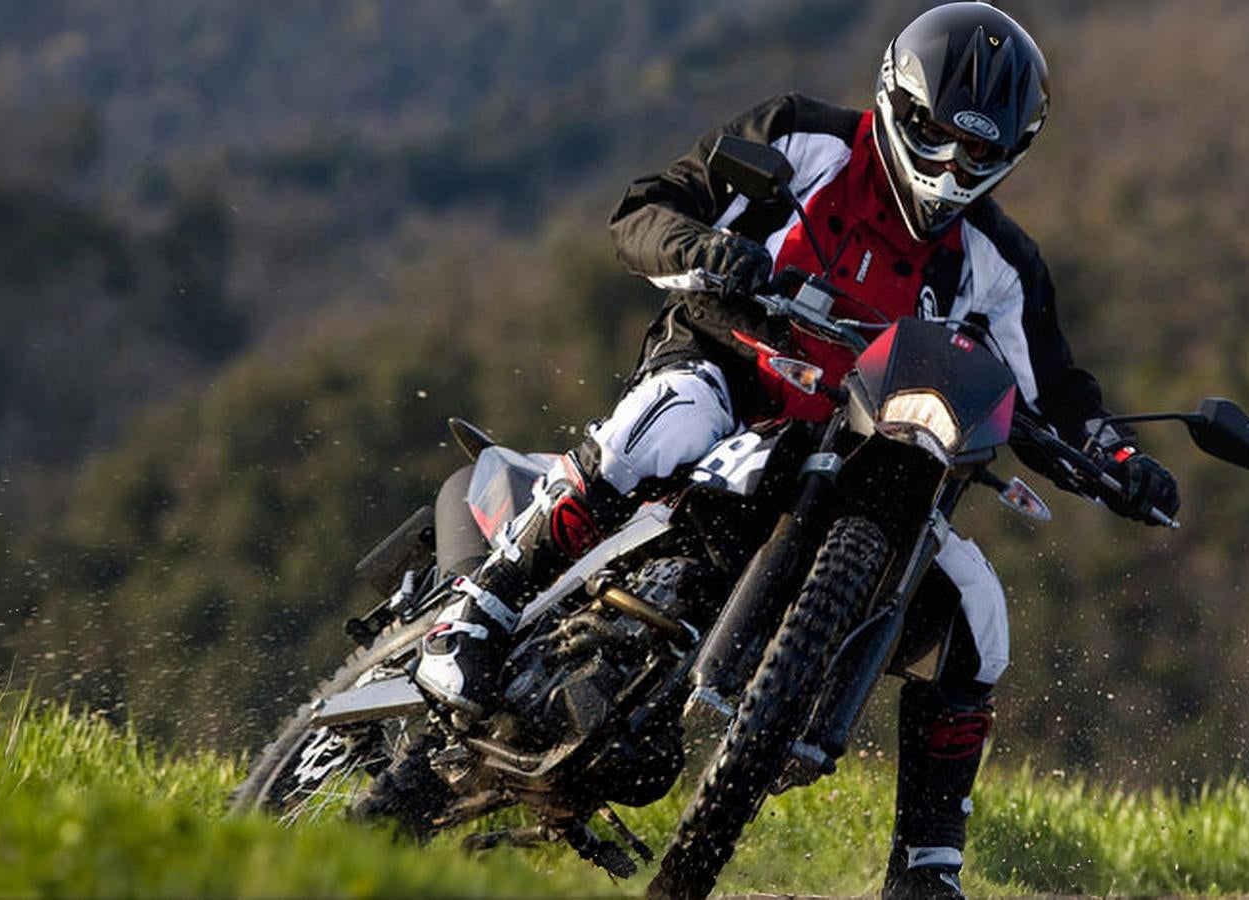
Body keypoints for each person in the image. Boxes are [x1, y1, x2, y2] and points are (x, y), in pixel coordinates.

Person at [410, 4, 1179, 897]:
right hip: (729, 370)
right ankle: (480, 610)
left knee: (979, 612)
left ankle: (927, 869)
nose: (950, 167)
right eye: (934, 135)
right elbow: (645, 210)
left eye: (978, 152)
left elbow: (1056, 397)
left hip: (865, 456)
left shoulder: (999, 263)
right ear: (894, 101)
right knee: (670, 417)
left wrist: (1120, 463)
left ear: (1014, 151)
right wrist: (707, 251)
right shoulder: (799, 137)